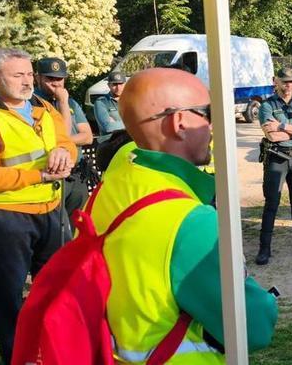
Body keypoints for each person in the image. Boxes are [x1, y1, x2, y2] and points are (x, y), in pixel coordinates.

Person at [89, 67, 277, 361]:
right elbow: (254, 328)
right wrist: (266, 302)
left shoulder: (114, 179)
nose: (213, 125)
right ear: (179, 123)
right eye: (207, 113)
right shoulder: (190, 221)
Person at [0, 48, 76, 364]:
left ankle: (53, 352)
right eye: (18, 75)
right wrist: (39, 175)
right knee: (9, 298)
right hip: (6, 219)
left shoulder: (43, 106)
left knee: (57, 290)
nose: (27, 81)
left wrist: (65, 154)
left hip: (52, 211)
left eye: (29, 74)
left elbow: (66, 142)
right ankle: (18, 356)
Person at [256, 68, 292, 263]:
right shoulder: (267, 106)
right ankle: (264, 249)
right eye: (284, 81)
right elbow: (272, 135)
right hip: (276, 158)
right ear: (276, 81)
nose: (288, 85)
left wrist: (282, 126)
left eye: (291, 81)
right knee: (271, 203)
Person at [34, 57, 94, 217]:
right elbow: (65, 137)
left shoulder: (71, 103)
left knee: (79, 222)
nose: (56, 83)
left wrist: (61, 141)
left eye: (59, 79)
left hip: (76, 173)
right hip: (52, 175)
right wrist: (62, 103)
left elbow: (87, 136)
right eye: (50, 78)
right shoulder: (33, 103)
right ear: (37, 78)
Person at [94, 70, 127, 135]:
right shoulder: (101, 102)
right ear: (109, 85)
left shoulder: (132, 100)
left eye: (121, 84)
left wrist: (116, 123)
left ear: (125, 84)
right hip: (111, 140)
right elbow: (108, 127)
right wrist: (132, 123)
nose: (118, 88)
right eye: (114, 84)